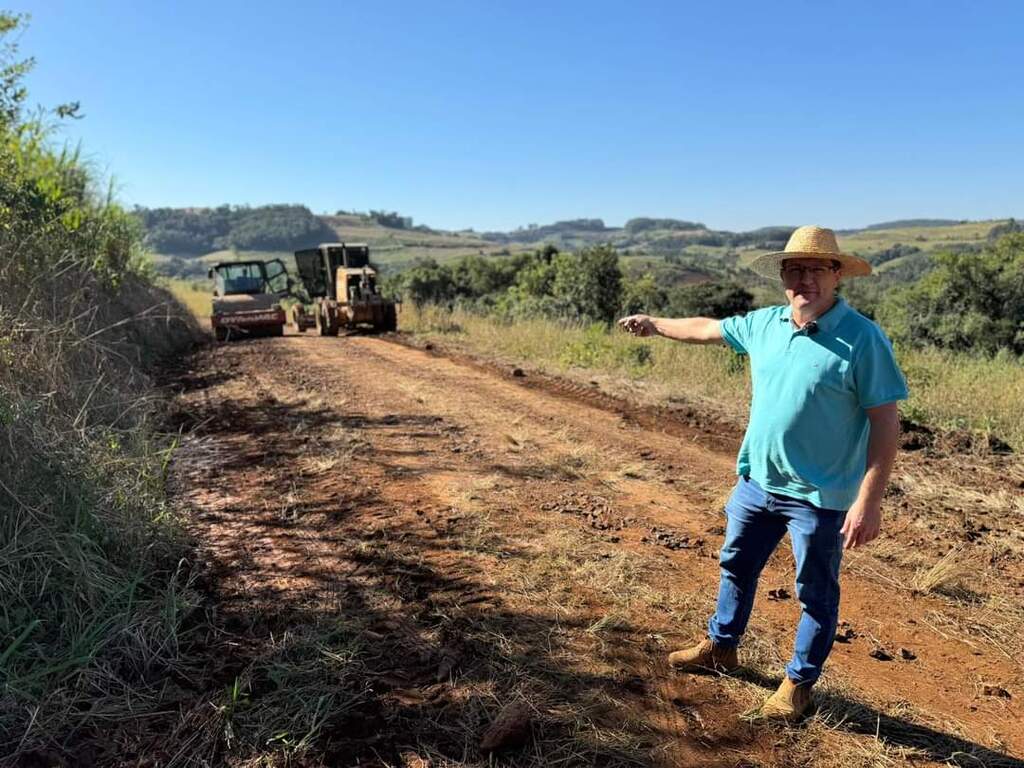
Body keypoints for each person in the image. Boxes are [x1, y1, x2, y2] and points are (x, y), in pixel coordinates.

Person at [619, 225, 907, 722]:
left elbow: (885, 421)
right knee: (736, 565)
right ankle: (721, 646)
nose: (804, 279)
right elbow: (707, 328)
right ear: (782, 276)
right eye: (794, 269)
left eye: (816, 268)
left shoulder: (863, 339)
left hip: (820, 496)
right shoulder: (765, 324)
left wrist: (869, 500)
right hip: (757, 483)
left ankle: (797, 686)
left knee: (815, 593)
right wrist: (654, 323)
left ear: (837, 275)